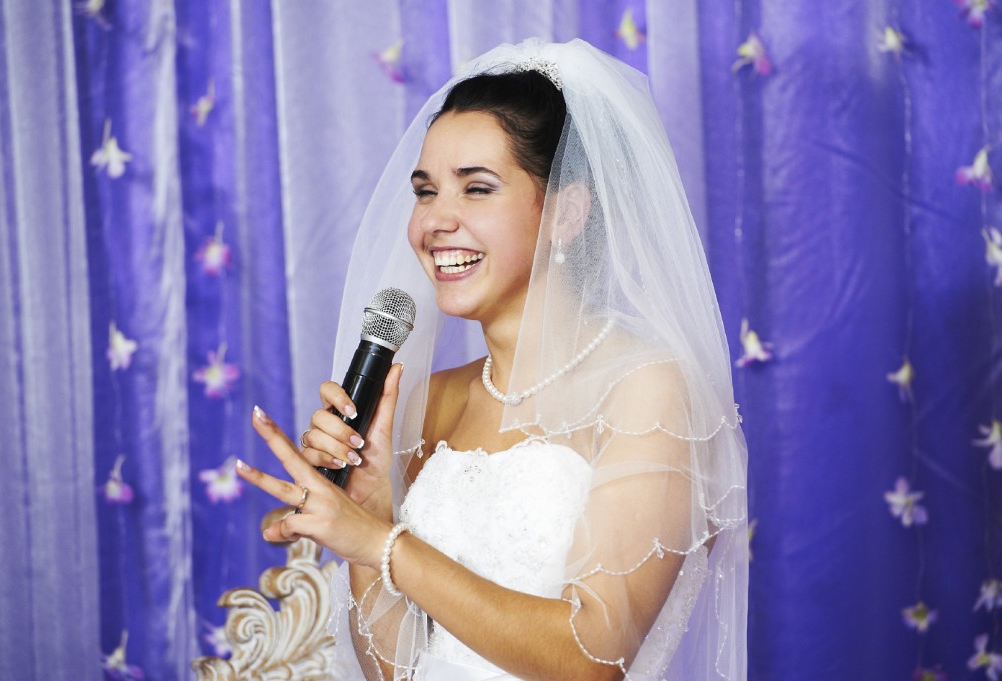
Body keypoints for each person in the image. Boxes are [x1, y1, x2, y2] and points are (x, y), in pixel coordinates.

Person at [236, 38, 748, 681]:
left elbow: (593, 660)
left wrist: (382, 544)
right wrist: (367, 517)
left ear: (566, 212)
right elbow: (396, 671)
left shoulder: (645, 388)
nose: (435, 222)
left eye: (476, 189)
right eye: (425, 192)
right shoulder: (434, 400)